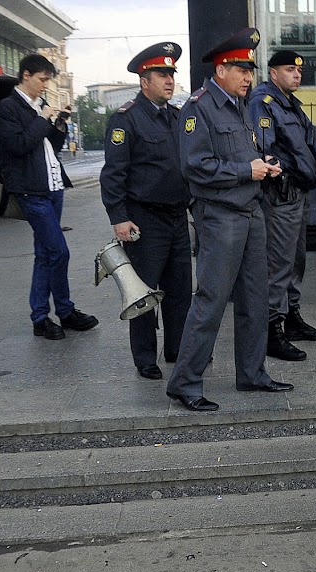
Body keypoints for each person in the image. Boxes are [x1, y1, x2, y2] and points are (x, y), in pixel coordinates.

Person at [166, 28, 291, 413]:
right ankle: (185, 382)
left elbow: (244, 155)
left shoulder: (242, 105)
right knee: (211, 300)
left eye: (250, 70)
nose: (249, 77)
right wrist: (244, 170)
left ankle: (252, 372)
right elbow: (195, 166)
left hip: (251, 212)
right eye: (241, 69)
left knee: (255, 297)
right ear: (221, 69)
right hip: (219, 216)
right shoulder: (198, 108)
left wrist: (264, 167)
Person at [99, 42, 192, 381]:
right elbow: (113, 174)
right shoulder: (127, 119)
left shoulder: (176, 116)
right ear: (144, 80)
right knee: (143, 292)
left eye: (171, 74)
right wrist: (119, 218)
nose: (169, 80)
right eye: (161, 74)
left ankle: (177, 349)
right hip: (144, 220)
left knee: (180, 289)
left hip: (176, 216)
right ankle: (144, 358)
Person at [0, 53, 98, 341]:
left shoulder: (36, 107)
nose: (44, 86)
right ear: (26, 75)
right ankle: (61, 311)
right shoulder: (9, 108)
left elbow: (47, 144)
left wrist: (60, 121)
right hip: (31, 190)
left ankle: (44, 316)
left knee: (45, 254)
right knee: (58, 252)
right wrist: (42, 119)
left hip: (52, 188)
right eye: (42, 80)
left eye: (47, 81)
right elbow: (17, 145)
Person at [249, 50, 316, 361]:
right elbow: (265, 150)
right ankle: (271, 329)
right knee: (278, 264)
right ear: (272, 73)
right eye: (289, 70)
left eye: (298, 70)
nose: (297, 74)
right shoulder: (263, 102)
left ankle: (291, 316)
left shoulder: (289, 102)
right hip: (280, 194)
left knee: (295, 261)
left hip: (297, 193)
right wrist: (288, 169)